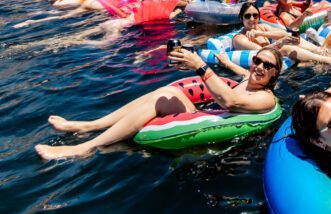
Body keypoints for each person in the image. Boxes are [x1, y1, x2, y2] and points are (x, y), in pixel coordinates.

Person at [35, 47, 283, 160]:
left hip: (214, 119)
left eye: (267, 65)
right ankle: (90, 124)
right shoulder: (247, 78)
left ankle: (85, 146)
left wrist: (200, 65)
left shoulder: (265, 97)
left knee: (160, 98)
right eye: (257, 60)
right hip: (209, 111)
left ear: (275, 75)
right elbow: (236, 77)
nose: (259, 67)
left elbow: (229, 99)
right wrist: (223, 62)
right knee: (165, 91)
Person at [230, 1, 331, 65]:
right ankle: (330, 60)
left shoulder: (261, 28)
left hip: (272, 52)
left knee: (291, 38)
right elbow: (260, 52)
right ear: (241, 18)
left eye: (255, 15)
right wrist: (281, 42)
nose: (252, 19)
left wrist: (260, 34)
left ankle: (324, 52)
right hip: (261, 60)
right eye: (247, 16)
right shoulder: (239, 38)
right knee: (286, 47)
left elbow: (283, 33)